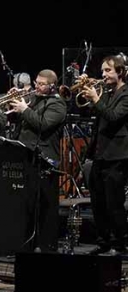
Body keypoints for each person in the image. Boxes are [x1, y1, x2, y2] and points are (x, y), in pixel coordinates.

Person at [9, 69, 67, 252]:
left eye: (42, 84)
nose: (37, 86)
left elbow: (43, 124)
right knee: (27, 204)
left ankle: (46, 246)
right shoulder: (34, 99)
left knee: (46, 206)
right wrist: (12, 104)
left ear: (52, 86)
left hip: (45, 160)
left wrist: (24, 109)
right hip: (26, 156)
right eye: (36, 82)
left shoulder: (58, 104)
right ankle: (28, 244)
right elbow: (17, 119)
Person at [81, 55, 128, 255]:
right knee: (97, 202)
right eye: (102, 71)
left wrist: (96, 99)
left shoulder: (126, 94)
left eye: (108, 70)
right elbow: (97, 115)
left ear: (120, 72)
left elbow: (114, 116)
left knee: (114, 203)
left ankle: (120, 244)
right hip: (100, 154)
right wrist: (89, 99)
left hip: (117, 156)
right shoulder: (107, 92)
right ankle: (104, 242)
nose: (103, 75)